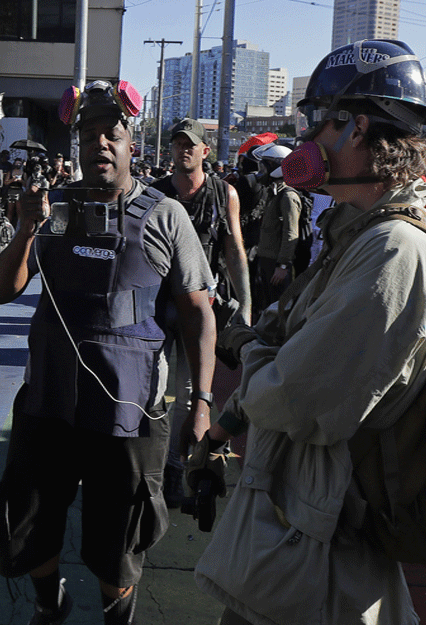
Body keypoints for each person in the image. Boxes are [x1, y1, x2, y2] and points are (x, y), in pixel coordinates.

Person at [195, 39, 426, 625]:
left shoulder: (395, 248)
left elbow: (296, 394)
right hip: (297, 520)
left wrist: (253, 353)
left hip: (326, 545)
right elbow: (286, 333)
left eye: (317, 123)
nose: (306, 141)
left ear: (358, 128)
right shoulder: (358, 228)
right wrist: (224, 428)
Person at [0, 79, 216, 625]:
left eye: (111, 134)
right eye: (89, 136)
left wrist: (201, 403)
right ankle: (50, 603)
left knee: (120, 541)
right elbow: (3, 289)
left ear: (131, 143)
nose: (100, 145)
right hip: (49, 403)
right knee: (28, 523)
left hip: (128, 415)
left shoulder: (165, 216)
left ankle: (116, 614)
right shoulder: (56, 210)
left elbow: (198, 312)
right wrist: (25, 229)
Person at [149, 117, 252, 507]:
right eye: (177, 144)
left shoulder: (224, 193)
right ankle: (156, 468)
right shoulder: (154, 193)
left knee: (193, 395)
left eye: (190, 144)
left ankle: (178, 469)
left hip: (202, 312)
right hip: (158, 309)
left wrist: (245, 307)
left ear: (205, 151)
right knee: (153, 390)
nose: (183, 150)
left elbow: (234, 250)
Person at [250, 142, 301, 309]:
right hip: (265, 260)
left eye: (265, 168)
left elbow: (291, 233)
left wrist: (283, 265)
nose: (261, 173)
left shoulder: (287, 196)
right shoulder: (273, 193)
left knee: (278, 309)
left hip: (276, 265)